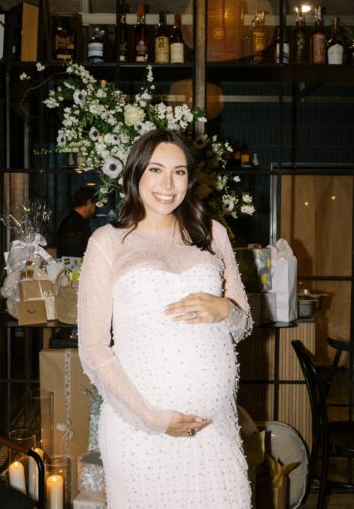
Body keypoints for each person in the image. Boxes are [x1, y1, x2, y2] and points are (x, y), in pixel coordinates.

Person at [78, 129, 252, 508]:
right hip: (142, 431)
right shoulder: (107, 241)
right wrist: (152, 418)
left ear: (190, 180)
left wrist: (226, 310)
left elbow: (243, 320)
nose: (167, 184)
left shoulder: (212, 233)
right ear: (136, 174)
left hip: (214, 427)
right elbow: (93, 348)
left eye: (179, 172)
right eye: (155, 170)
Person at [56, 186, 96, 258]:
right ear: (89, 202)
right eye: (95, 204)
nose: (95, 208)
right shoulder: (76, 225)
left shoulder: (68, 221)